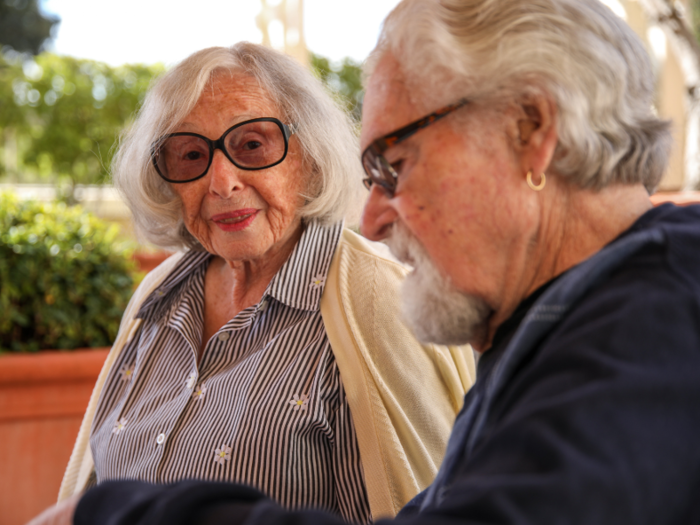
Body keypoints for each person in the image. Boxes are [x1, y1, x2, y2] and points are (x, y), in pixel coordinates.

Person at [34, 0, 700, 523]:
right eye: (190, 157)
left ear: (531, 129)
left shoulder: (655, 320)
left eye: (395, 164)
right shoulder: (566, 316)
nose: (373, 213)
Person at [31, 42, 475, 524]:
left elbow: (432, 503)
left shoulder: (378, 297)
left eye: (252, 145)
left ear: (308, 154)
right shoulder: (158, 294)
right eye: (190, 155)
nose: (222, 182)